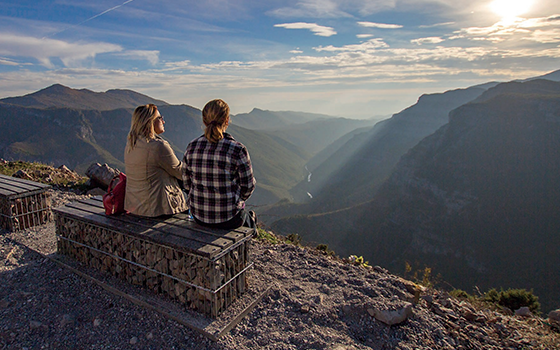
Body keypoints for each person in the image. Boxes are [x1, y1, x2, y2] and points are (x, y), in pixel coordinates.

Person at [182, 99, 257, 229]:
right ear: (227, 120)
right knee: (249, 218)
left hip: (199, 216)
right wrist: (237, 200)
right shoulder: (237, 149)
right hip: (229, 217)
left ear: (204, 121)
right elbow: (248, 186)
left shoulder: (192, 146)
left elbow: (186, 183)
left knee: (247, 217)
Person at [124, 104, 187, 217]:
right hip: (156, 209)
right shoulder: (158, 146)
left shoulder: (131, 143)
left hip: (135, 206)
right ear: (150, 122)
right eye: (160, 118)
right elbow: (181, 172)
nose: (163, 121)